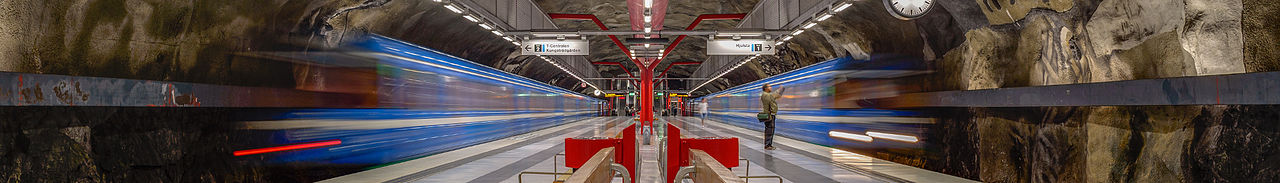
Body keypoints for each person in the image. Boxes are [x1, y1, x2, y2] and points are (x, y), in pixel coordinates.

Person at [759, 83, 785, 150]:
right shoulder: (766, 95)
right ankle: (768, 145)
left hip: (769, 114)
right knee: (770, 130)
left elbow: (774, 96)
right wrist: (773, 112)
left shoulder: (766, 95)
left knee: (769, 130)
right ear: (766, 88)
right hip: (770, 115)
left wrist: (780, 91)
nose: (771, 87)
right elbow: (773, 98)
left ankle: (768, 144)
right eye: (769, 86)